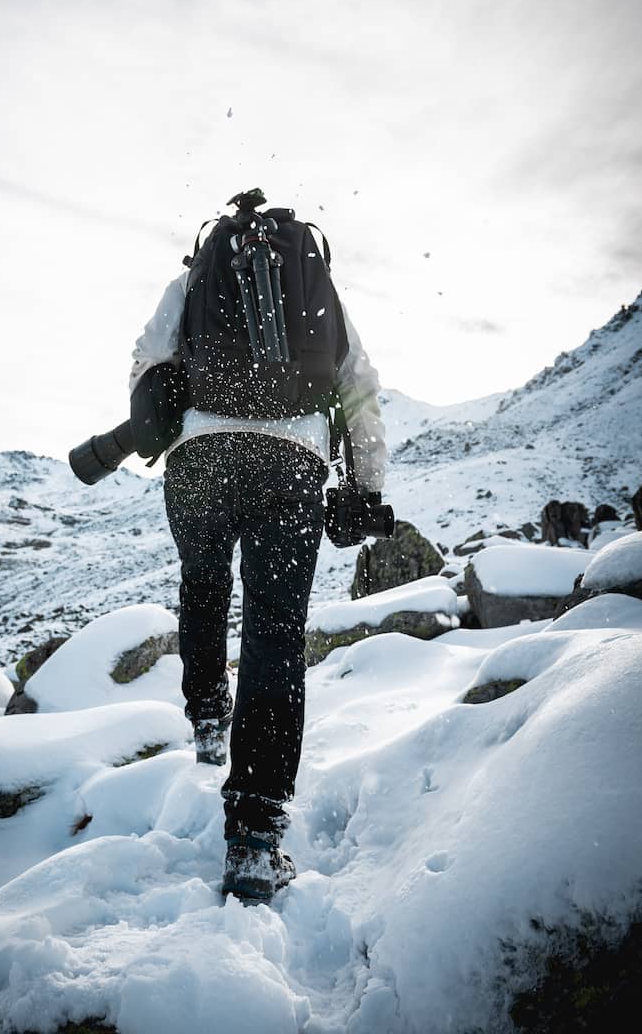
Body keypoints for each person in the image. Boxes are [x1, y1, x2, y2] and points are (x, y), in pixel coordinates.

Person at [129, 191, 387, 902]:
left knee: (204, 584)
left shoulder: (190, 283)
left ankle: (207, 713)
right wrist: (364, 485)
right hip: (294, 461)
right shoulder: (319, 287)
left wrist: (169, 416)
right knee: (275, 630)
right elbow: (360, 389)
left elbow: (146, 365)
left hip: (200, 459)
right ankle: (254, 835)